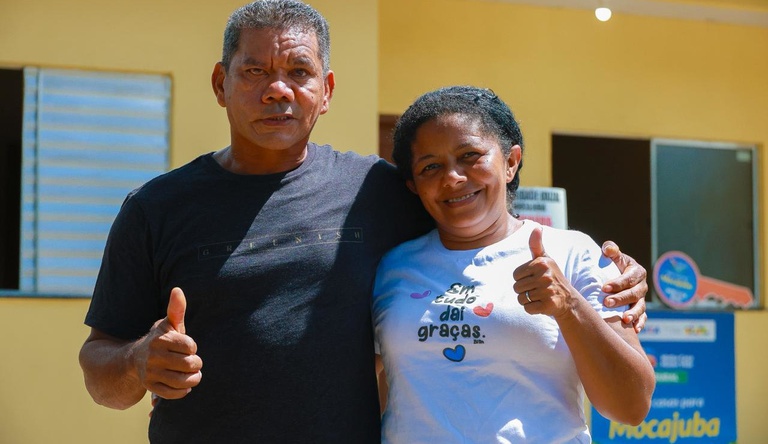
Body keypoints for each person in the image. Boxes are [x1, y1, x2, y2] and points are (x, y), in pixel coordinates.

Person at [78, 1, 648, 442]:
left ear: (325, 91)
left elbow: (480, 228)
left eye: (298, 71)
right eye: (254, 70)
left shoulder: (376, 191)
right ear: (220, 84)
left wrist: (610, 279)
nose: (277, 88)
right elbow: (99, 365)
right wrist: (136, 362)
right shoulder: (155, 208)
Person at [372, 85, 656, 443]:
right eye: (431, 167)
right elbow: (367, 395)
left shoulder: (574, 253)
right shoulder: (389, 268)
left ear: (510, 161)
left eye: (470, 155)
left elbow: (631, 408)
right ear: (413, 185)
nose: (453, 178)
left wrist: (569, 306)